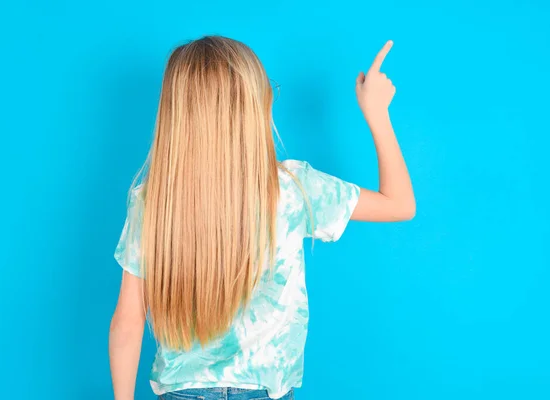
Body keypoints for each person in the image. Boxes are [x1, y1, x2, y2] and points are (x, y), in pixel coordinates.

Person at [109, 35, 415, 400]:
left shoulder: (152, 201)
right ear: (254, 105)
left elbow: (128, 322)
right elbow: (400, 204)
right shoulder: (294, 188)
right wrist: (377, 114)